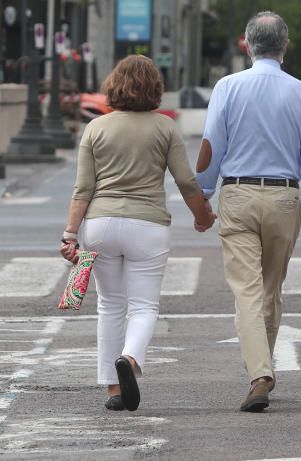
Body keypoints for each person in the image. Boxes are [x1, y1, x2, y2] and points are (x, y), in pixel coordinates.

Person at [60, 55, 216, 412]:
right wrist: (203, 216)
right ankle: (129, 360)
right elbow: (185, 182)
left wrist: (70, 234)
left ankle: (114, 390)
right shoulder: (165, 128)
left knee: (110, 306)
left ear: (113, 85)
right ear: (155, 89)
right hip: (147, 226)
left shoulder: (96, 129)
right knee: (144, 306)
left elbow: (82, 189)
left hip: (99, 225)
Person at [196, 11, 301, 413]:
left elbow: (211, 146)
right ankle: (263, 370)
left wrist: (203, 196)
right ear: (285, 46)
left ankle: (259, 374)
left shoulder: (227, 87)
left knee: (247, 291)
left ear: (246, 44)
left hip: (237, 196)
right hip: (284, 199)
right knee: (271, 291)